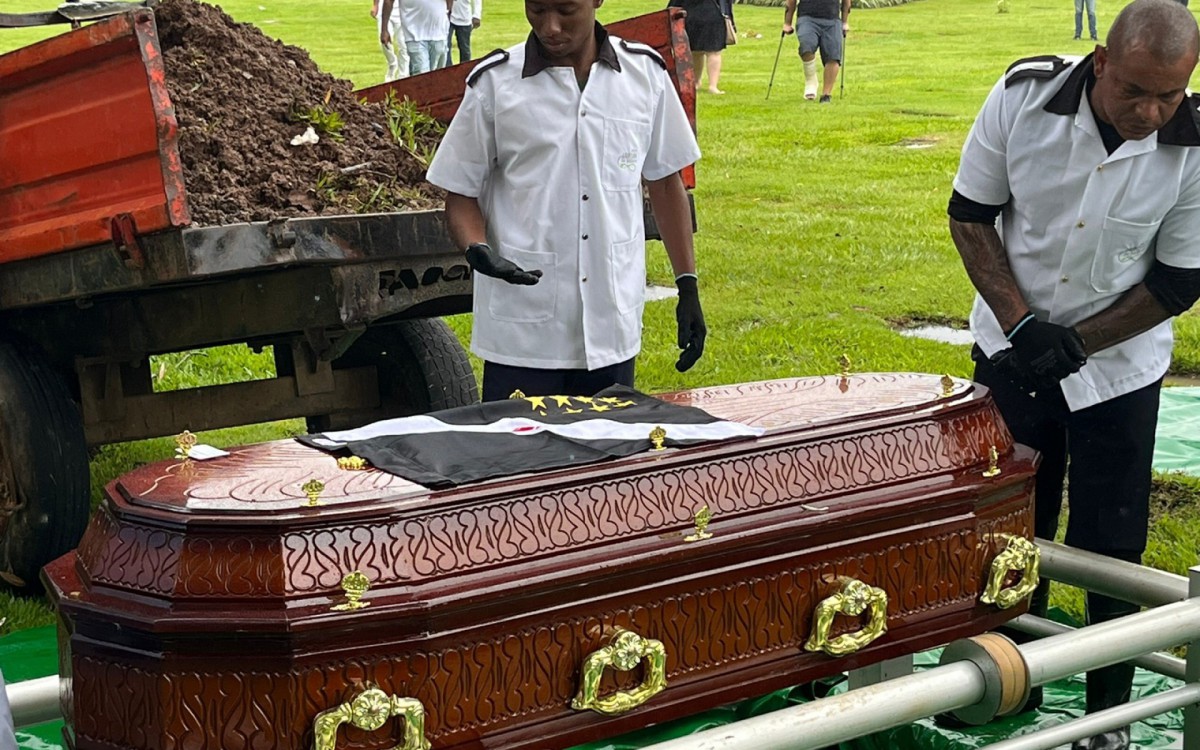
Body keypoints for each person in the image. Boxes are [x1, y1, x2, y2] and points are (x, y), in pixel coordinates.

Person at [948, 1, 1200, 747]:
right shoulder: (1021, 98)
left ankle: (1106, 715)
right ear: (1100, 64)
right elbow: (970, 213)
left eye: (1171, 94)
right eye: (1134, 91)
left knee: (1109, 540)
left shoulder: (1193, 144)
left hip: (1119, 371)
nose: (1152, 111)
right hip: (1009, 347)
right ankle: (1002, 685)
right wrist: (1022, 326)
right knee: (1006, 528)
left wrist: (1078, 343)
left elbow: (1181, 280)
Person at [426, 0, 706, 402]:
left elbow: (664, 182)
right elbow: (460, 192)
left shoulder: (644, 76)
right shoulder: (495, 84)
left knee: (606, 458)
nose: (550, 27)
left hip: (610, 322)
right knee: (521, 461)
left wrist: (688, 286)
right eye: (537, 11)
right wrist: (477, 249)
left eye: (566, 10)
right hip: (523, 330)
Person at [784, 0, 849, 102]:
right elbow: (791, 2)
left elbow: (847, 2)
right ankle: (811, 80)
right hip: (807, 18)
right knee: (806, 46)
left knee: (833, 57)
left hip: (832, 20)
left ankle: (826, 95)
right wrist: (787, 23)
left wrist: (845, 22)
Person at [667, 0, 731, 95]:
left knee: (695, 51)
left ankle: (696, 82)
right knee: (714, 52)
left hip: (690, 15)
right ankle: (713, 86)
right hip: (713, 14)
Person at [380, 0, 452, 75]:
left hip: (440, 33)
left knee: (438, 77)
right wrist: (384, 29)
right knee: (422, 76)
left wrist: (447, 16)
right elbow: (388, 1)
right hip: (414, 34)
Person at [371, 0, 410, 82]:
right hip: (385, 10)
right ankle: (392, 63)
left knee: (403, 45)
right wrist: (375, 5)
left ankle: (403, 75)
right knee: (384, 42)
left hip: (404, 11)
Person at [443, 0, 483, 67]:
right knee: (445, 46)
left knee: (464, 49)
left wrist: (476, 15)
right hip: (447, 17)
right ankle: (448, 72)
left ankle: (464, 71)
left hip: (464, 18)